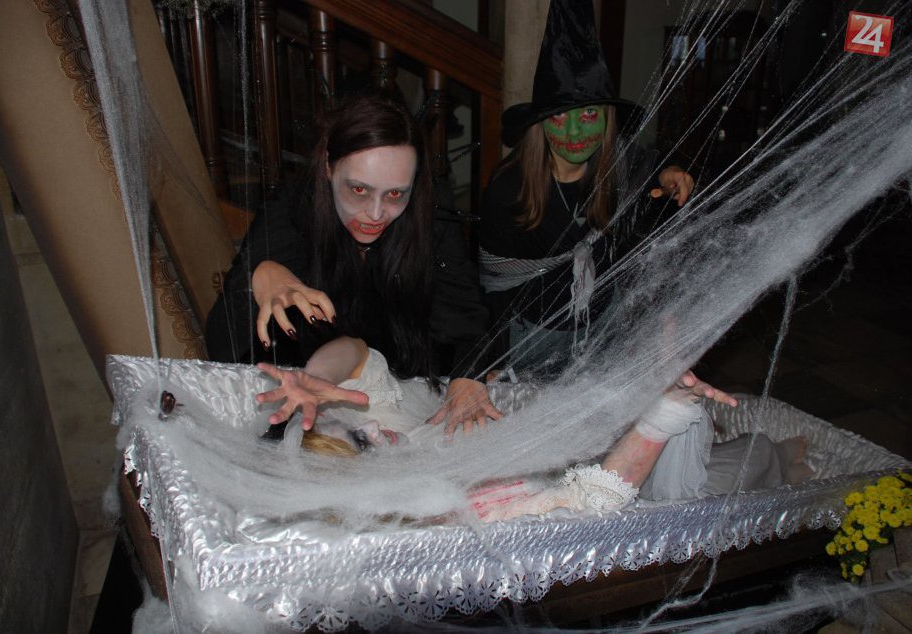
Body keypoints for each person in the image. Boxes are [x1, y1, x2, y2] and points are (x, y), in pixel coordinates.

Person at [255, 336, 813, 522]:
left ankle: (771, 455)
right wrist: (660, 418)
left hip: (581, 455)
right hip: (625, 491)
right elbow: (590, 502)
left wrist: (313, 375)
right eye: (366, 446)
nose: (378, 433)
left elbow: (356, 353)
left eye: (359, 431)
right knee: (746, 461)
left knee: (725, 441)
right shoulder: (453, 508)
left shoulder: (390, 434)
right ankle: (785, 465)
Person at [205, 93, 501, 436]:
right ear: (328, 166)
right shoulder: (293, 209)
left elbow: (467, 319)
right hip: (303, 409)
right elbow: (223, 344)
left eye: (395, 194)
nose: (375, 214)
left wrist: (468, 377)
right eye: (359, 190)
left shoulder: (431, 215)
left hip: (404, 400)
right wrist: (260, 276)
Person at [478, 0, 696, 374]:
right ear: (541, 123)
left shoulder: (619, 165)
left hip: (606, 323)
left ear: (607, 120)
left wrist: (670, 171)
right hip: (534, 337)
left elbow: (653, 163)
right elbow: (492, 286)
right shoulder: (508, 190)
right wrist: (491, 361)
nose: (575, 132)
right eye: (559, 117)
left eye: (589, 114)